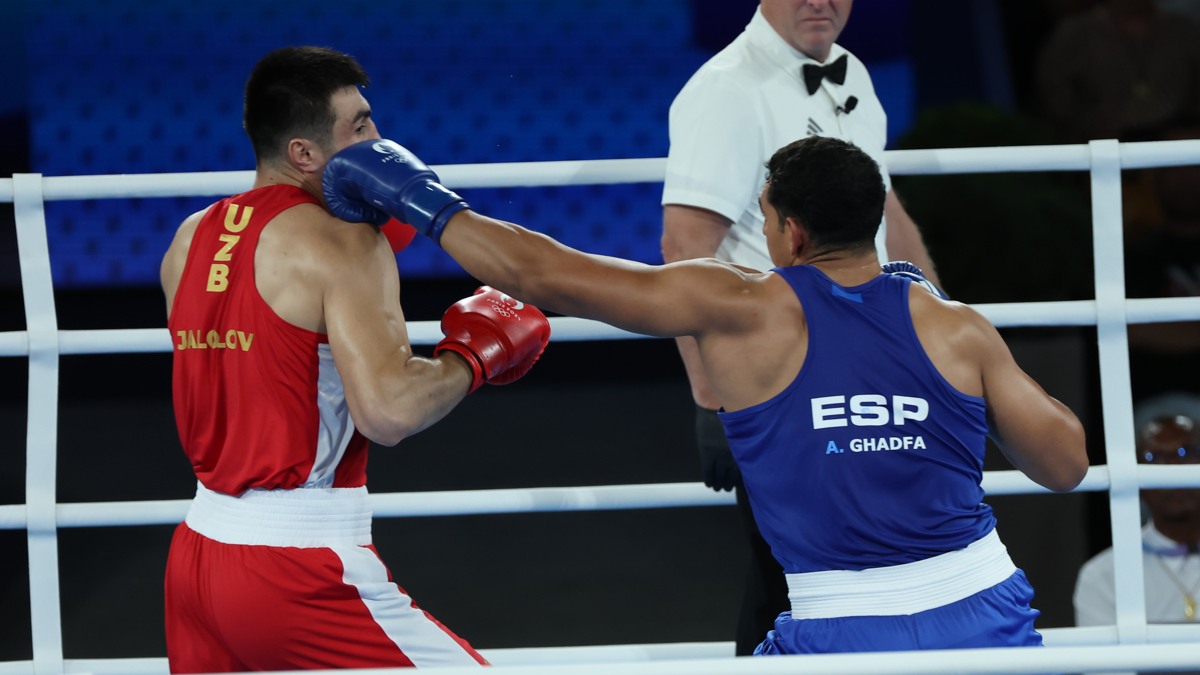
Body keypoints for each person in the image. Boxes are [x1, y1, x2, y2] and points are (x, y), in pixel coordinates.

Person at [323, 134, 1089, 653]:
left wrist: (420, 198)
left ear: (788, 232)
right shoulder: (957, 328)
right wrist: (951, 389)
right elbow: (1065, 463)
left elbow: (543, 275)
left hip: (842, 632)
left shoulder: (740, 307)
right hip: (988, 617)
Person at [158, 46, 550, 673]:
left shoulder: (190, 238)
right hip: (294, 567)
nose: (379, 138)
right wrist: (473, 357)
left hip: (198, 556)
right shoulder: (343, 241)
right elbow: (388, 410)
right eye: (360, 125)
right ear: (304, 154)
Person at [660, 0, 942, 653]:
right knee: (789, 579)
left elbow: (885, 212)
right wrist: (712, 400)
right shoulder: (726, 89)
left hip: (869, 367)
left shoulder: (855, 75)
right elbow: (685, 246)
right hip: (776, 374)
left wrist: (938, 331)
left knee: (869, 570)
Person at [1074, 393, 1200, 626]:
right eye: (1155, 457)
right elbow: (1106, 662)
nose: (1172, 469)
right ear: (1135, 478)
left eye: (1186, 453)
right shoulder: (1103, 574)